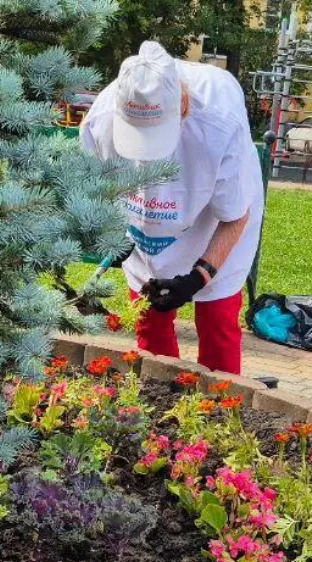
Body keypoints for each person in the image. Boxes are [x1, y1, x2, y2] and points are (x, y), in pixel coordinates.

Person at [80, 41, 264, 374]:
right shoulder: (101, 120)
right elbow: (97, 190)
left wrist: (199, 275)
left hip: (215, 222)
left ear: (182, 106)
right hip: (143, 224)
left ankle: (218, 410)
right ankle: (157, 402)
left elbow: (235, 216)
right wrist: (112, 236)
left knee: (217, 320)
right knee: (150, 319)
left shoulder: (219, 124)